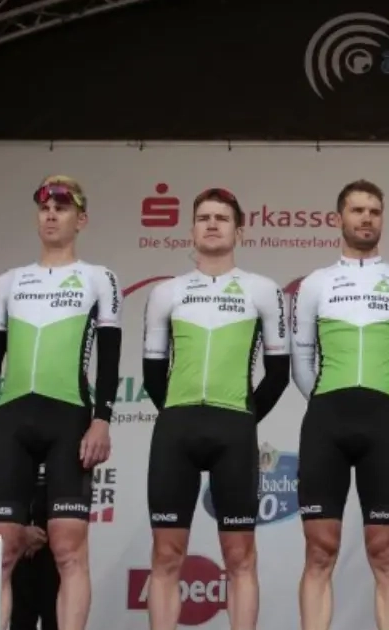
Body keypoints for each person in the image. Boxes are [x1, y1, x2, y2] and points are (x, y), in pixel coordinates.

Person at [0, 175, 120, 630]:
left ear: (81, 220)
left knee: (69, 549)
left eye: (62, 208)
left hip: (69, 418)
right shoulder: (8, 282)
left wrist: (102, 419)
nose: (51, 214)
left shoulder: (99, 278)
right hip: (13, 420)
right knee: (2, 550)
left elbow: (109, 357)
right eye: (44, 207)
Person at [141, 187, 290, 630]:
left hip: (234, 431)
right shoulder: (166, 292)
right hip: (176, 430)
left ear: (239, 231)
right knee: (166, 554)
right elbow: (153, 372)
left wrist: (243, 418)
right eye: (204, 217)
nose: (211, 224)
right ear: (191, 229)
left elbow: (278, 374)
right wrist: (176, 413)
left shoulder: (263, 290)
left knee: (240, 555)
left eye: (222, 218)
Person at [292, 179, 389, 630]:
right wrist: (330, 398)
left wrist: (379, 391)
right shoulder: (315, 284)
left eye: (374, 211)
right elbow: (301, 364)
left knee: (385, 551)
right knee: (319, 549)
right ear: (339, 218)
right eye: (357, 210)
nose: (366, 218)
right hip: (326, 423)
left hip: (382, 422)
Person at [10, 464, 59, 630]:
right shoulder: (11, 457)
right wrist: (20, 530)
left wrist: (45, 533)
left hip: (58, 548)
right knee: (20, 618)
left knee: (56, 618)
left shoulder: (64, 455)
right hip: (18, 548)